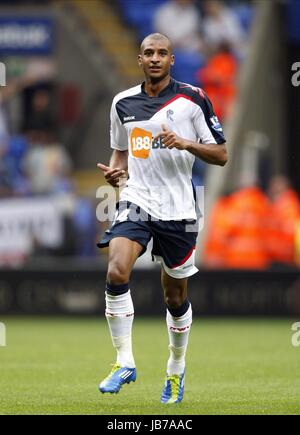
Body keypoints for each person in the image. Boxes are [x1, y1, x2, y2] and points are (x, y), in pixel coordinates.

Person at [97, 33, 227, 404]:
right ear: (139, 59)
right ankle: (124, 361)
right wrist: (116, 173)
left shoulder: (193, 99)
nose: (155, 58)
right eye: (149, 53)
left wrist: (186, 143)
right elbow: (120, 154)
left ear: (172, 60)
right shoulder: (122, 103)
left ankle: (175, 369)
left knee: (174, 296)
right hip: (137, 200)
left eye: (162, 53)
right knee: (116, 271)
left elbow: (221, 154)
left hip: (180, 209)